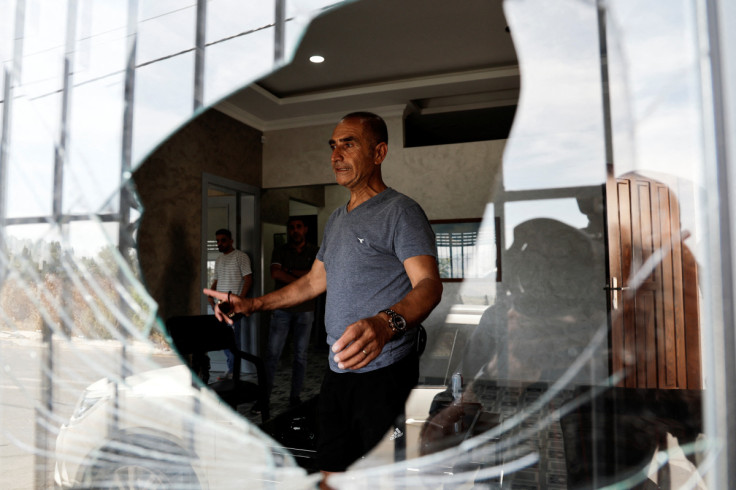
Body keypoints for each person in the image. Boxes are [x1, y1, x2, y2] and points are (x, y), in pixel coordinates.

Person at [205, 112, 443, 488]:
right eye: (333, 145)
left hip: (384, 375)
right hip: (337, 370)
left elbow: (429, 284)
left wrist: (385, 324)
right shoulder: (335, 219)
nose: (336, 154)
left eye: (349, 143)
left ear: (379, 152)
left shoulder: (401, 212)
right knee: (331, 467)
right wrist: (252, 305)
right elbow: (312, 283)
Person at [255, 216, 320, 413]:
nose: (295, 231)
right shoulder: (280, 250)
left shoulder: (315, 251)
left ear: (305, 230)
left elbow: (316, 277)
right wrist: (302, 279)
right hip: (281, 309)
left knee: (300, 356)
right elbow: (275, 273)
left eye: (298, 227)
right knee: (272, 355)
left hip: (305, 310)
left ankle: (294, 397)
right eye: (291, 227)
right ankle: (263, 399)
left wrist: (289, 272)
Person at [209, 229, 253, 380]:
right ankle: (231, 369)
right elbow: (216, 280)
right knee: (221, 339)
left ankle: (233, 372)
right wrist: (210, 295)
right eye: (218, 241)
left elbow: (248, 279)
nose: (220, 243)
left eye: (223, 240)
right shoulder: (219, 259)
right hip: (219, 307)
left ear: (231, 241)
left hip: (234, 307)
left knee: (233, 340)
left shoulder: (241, 256)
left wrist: (240, 300)